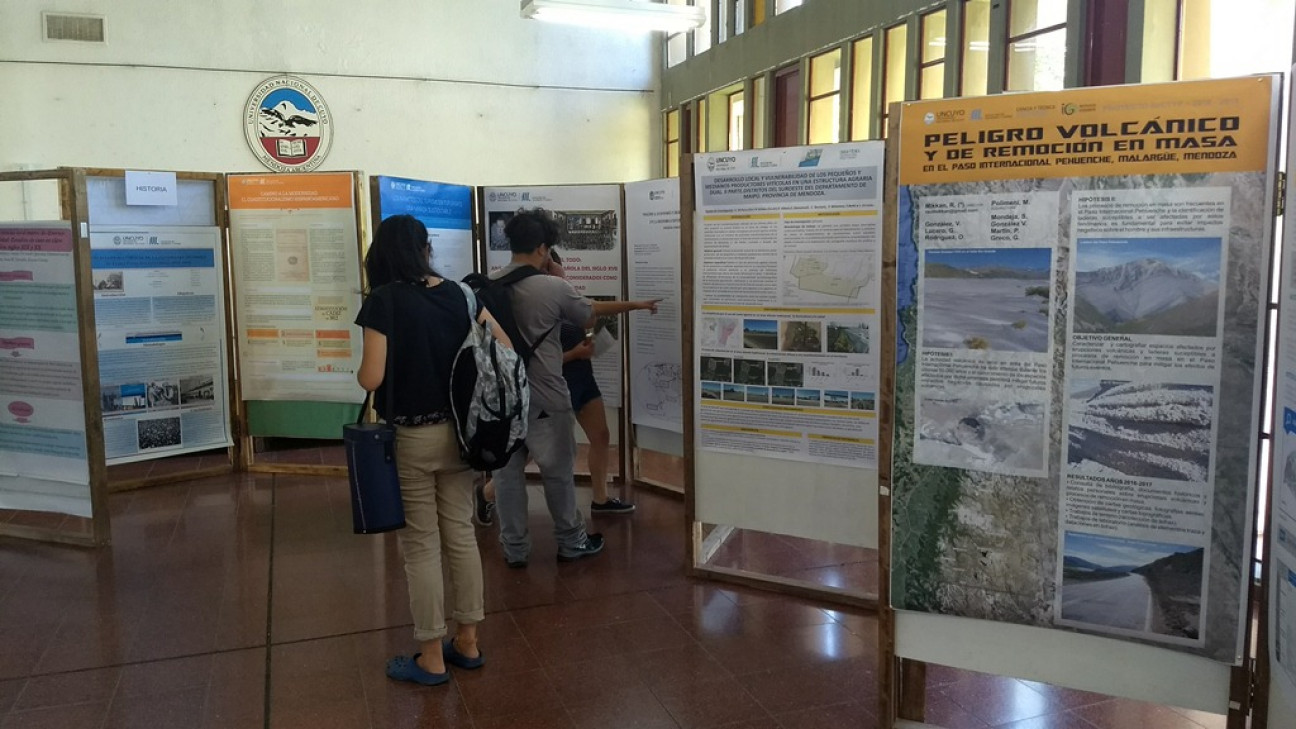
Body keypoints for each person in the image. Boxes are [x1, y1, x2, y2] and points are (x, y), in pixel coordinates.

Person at [355, 214, 509, 686]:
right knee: (460, 534)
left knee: (420, 545)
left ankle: (430, 655)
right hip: (464, 436)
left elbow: (371, 378)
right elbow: (502, 346)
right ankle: (467, 642)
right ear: (425, 248)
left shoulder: (383, 302)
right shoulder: (462, 295)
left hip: (412, 439)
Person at [473, 248, 658, 525]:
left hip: (582, 378)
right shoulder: (536, 297)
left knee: (601, 435)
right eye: (555, 263)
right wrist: (575, 354)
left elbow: (591, 312)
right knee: (531, 453)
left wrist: (634, 306)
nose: (561, 268)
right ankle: (487, 494)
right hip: (552, 383)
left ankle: (600, 499)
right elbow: (534, 357)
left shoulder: (563, 293)